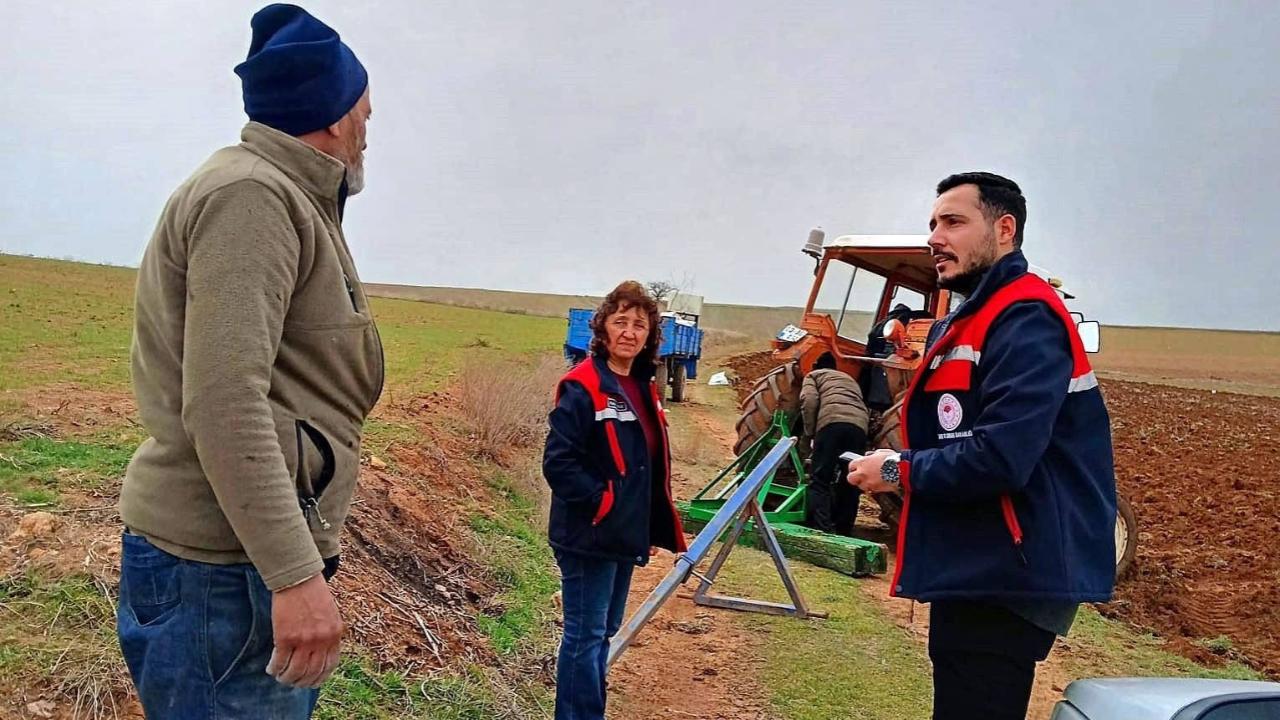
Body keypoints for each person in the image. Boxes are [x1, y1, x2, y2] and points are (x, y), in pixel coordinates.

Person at [116, 5, 379, 718]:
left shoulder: (281, 192)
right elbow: (226, 402)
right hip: (223, 576)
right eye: (364, 112)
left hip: (239, 566)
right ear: (330, 117)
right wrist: (294, 575)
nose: (368, 127)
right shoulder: (252, 197)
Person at [847, 172, 1117, 720]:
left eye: (953, 222)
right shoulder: (973, 316)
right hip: (978, 561)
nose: (934, 237)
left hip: (1007, 568)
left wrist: (897, 470)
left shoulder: (1025, 316)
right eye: (932, 224)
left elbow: (1001, 457)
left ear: (1005, 229)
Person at [543, 281, 687, 720]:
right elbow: (559, 462)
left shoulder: (643, 387)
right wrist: (602, 504)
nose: (629, 331)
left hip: (623, 532)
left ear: (649, 335)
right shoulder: (583, 385)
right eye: (620, 321)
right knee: (585, 636)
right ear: (602, 329)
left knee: (601, 632)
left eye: (639, 324)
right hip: (589, 534)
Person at [798, 355, 869, 536]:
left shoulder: (814, 376)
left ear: (816, 366)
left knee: (820, 479)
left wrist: (810, 432)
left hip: (831, 424)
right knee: (851, 479)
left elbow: (809, 400)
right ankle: (844, 530)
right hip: (859, 428)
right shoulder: (850, 380)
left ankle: (823, 530)